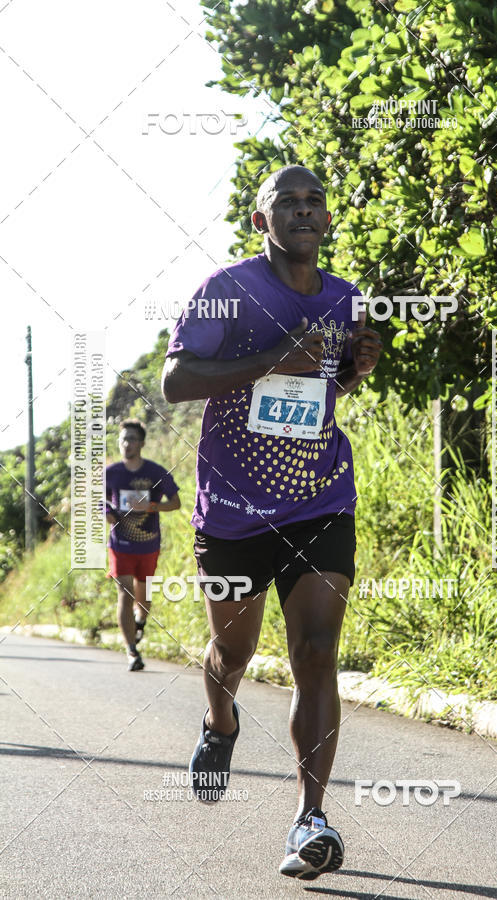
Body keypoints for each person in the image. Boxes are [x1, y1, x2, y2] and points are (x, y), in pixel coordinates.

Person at [162, 164, 382, 880]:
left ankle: (309, 819)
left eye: (315, 199)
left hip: (319, 498)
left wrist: (352, 372)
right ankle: (219, 722)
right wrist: (267, 360)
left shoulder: (347, 300)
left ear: (327, 218)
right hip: (233, 513)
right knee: (234, 654)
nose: (303, 209)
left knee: (316, 652)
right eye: (285, 201)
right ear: (261, 221)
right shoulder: (226, 293)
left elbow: (319, 393)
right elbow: (176, 381)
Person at [105, 419, 181, 671]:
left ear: (142, 443)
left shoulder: (156, 472)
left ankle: (140, 622)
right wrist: (106, 511)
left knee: (143, 595)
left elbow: (176, 502)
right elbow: (97, 500)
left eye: (131, 439)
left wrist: (151, 506)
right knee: (124, 594)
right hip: (120, 544)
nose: (126, 444)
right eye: (123, 439)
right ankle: (131, 651)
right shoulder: (111, 473)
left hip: (148, 544)